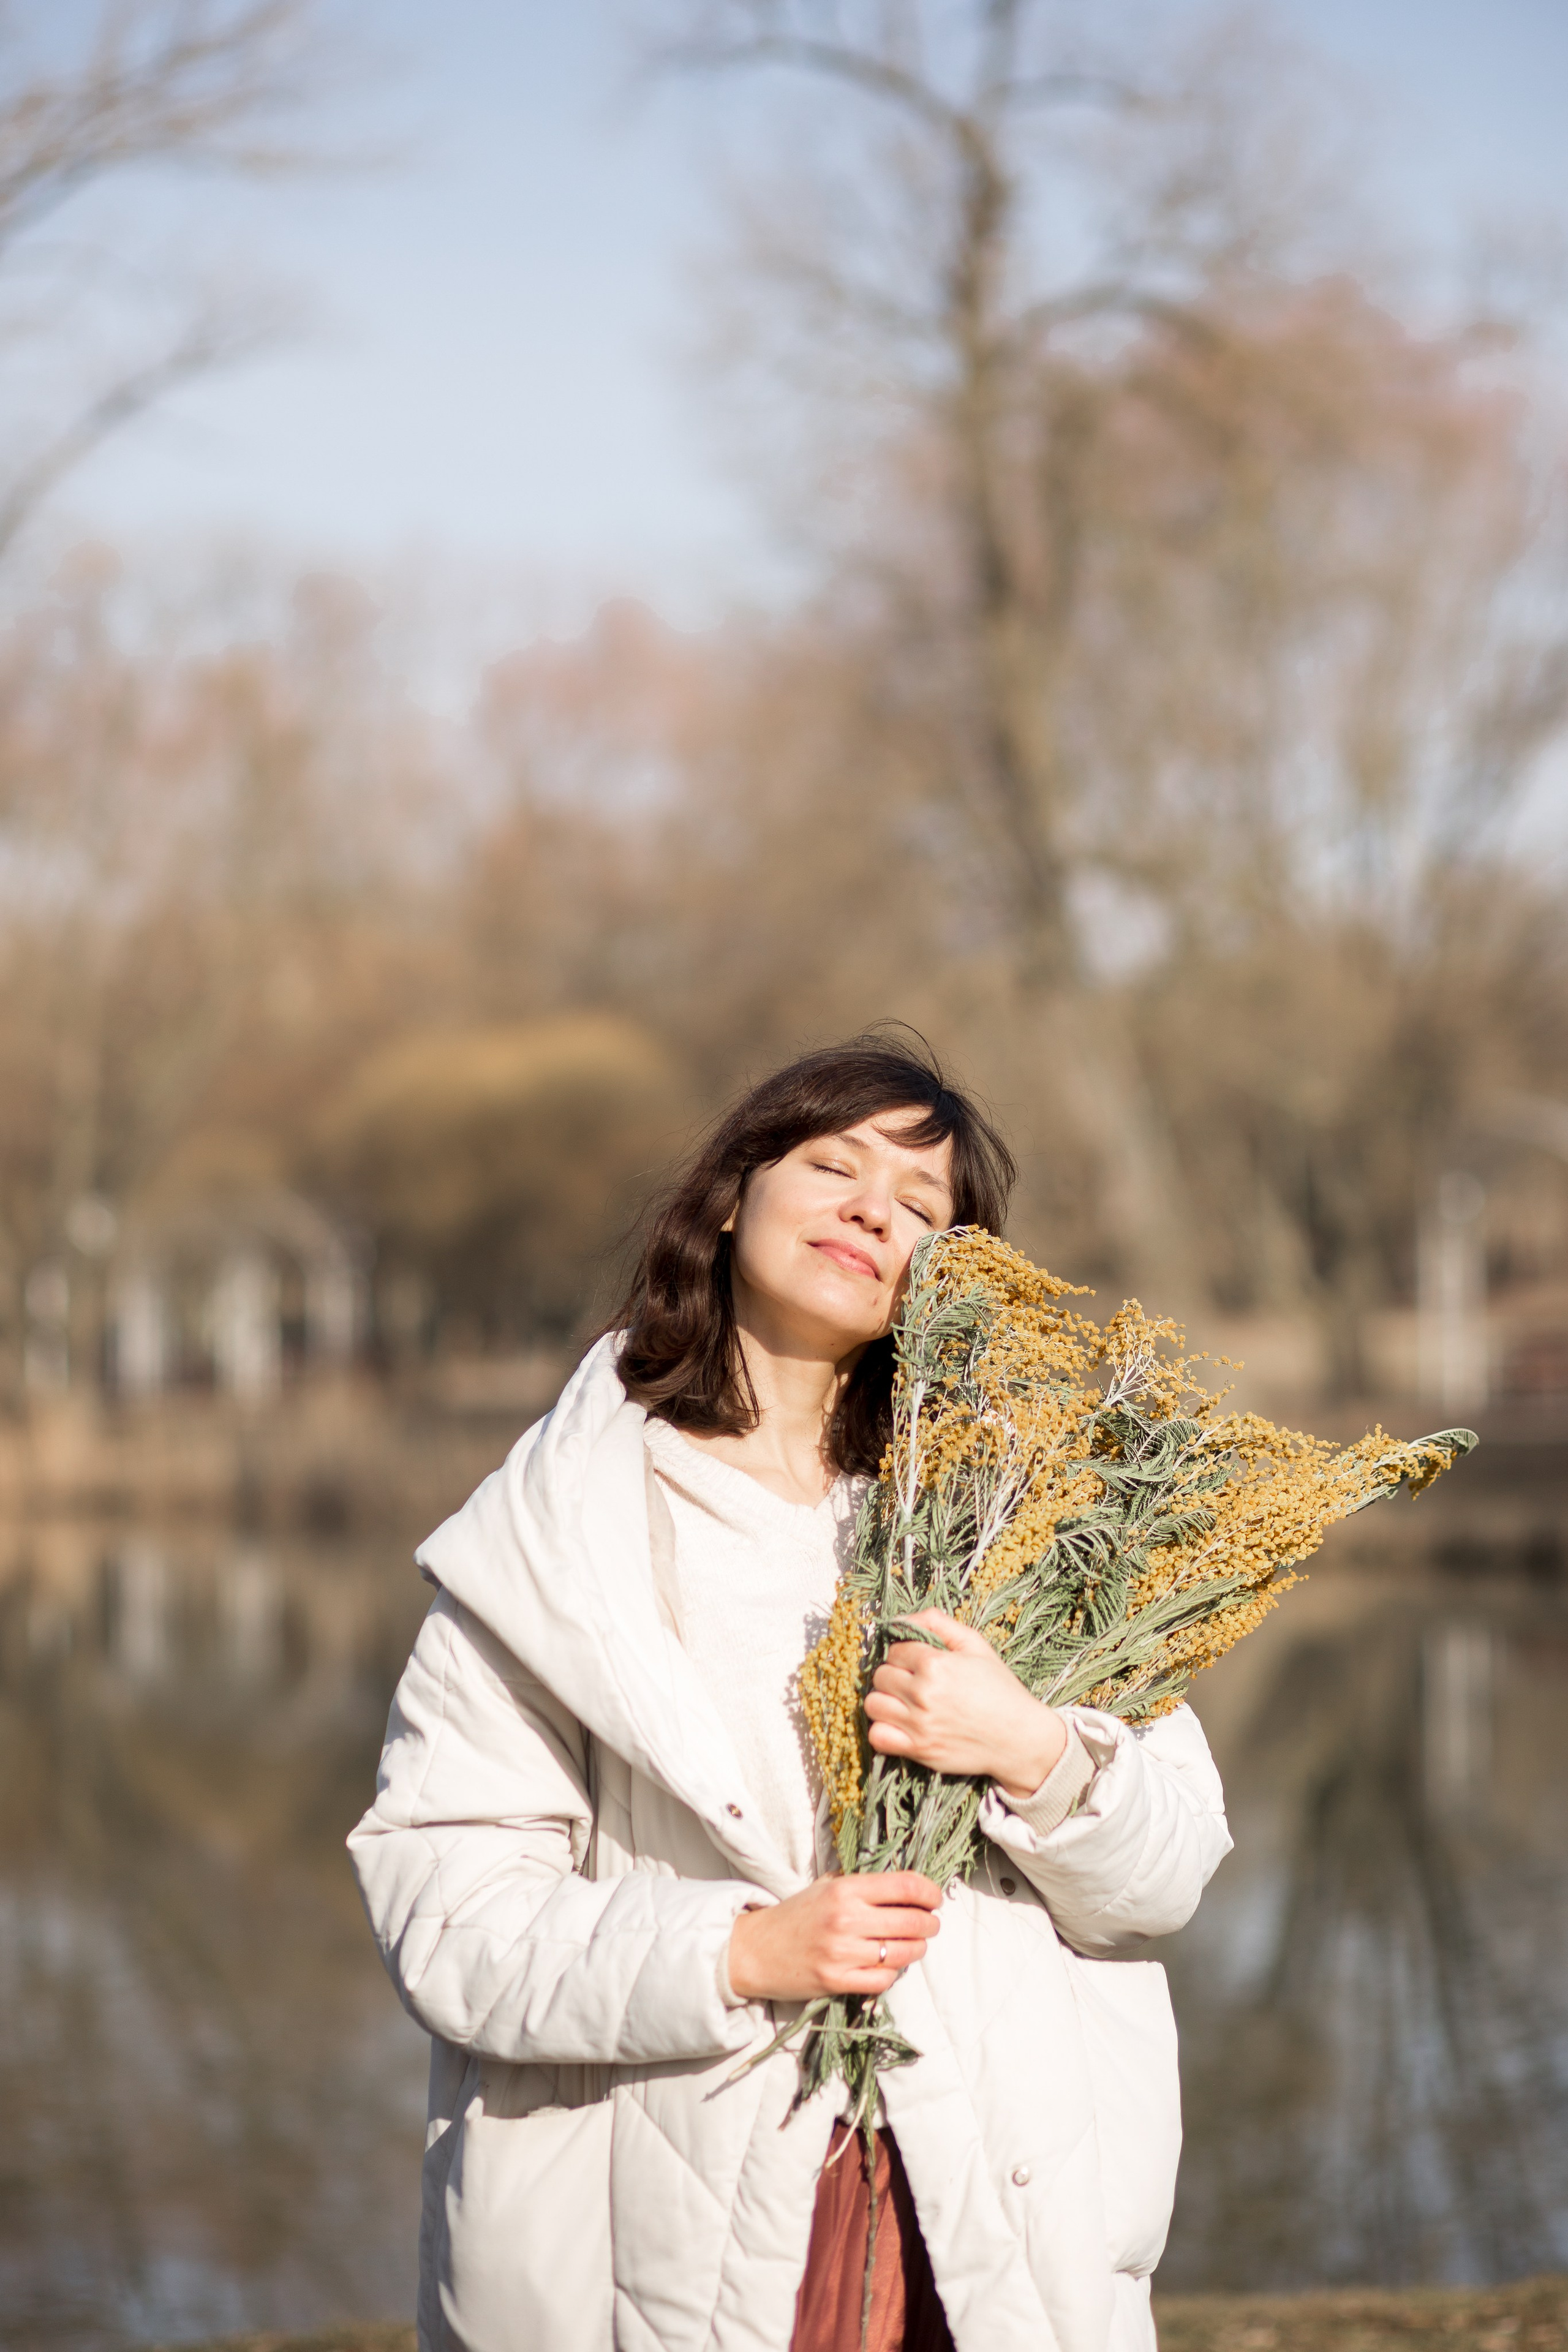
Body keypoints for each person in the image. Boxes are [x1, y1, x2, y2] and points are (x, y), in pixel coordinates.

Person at [349, 1035, 1232, 2352]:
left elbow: (1168, 1875)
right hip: (679, 2227)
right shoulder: (560, 1540)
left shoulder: (1021, 1524)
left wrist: (1037, 1753)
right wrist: (741, 1951)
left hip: (993, 2238)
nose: (875, 1211)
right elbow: (448, 1912)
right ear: (729, 1196)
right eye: (834, 1166)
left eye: (921, 1206)